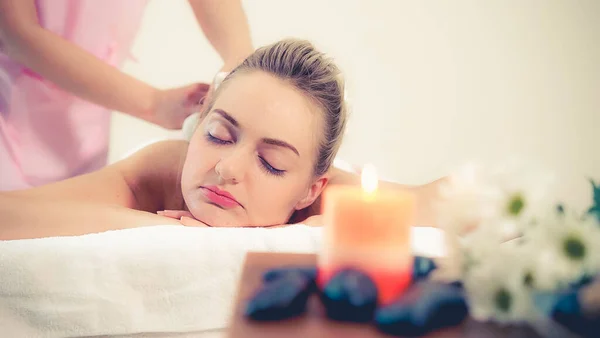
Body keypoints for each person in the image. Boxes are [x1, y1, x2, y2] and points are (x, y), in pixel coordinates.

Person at [0, 39, 443, 241]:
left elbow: (454, 201)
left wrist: (312, 228)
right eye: (218, 135)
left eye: (271, 162)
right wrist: (157, 225)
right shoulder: (161, 171)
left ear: (311, 189)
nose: (227, 168)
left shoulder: (330, 202)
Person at [0, 0, 254, 190]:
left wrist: (240, 57)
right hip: (11, 122)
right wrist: (154, 104)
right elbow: (18, 33)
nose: (228, 169)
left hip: (87, 134)